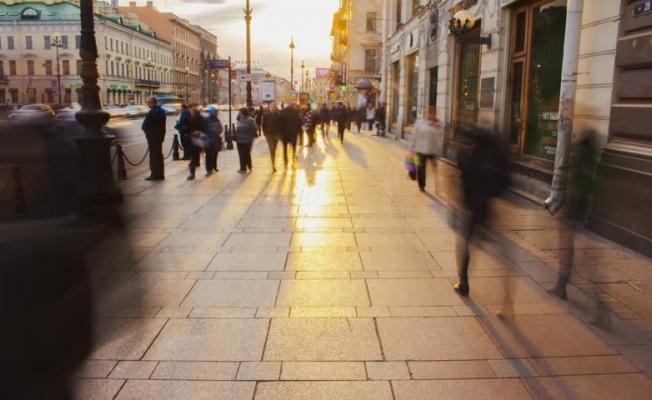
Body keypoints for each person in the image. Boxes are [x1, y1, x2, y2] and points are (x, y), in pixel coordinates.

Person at [547, 130, 610, 329]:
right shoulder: (590, 163)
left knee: (583, 263)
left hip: (576, 217)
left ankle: (601, 311)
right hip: (582, 218)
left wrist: (567, 214)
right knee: (573, 256)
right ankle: (561, 286)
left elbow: (577, 191)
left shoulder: (581, 165)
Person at [454, 129, 510, 297]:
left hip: (472, 210)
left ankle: (463, 283)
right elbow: (504, 183)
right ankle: (506, 298)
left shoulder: (472, 159)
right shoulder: (494, 161)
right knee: (502, 255)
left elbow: (464, 184)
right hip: (488, 210)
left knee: (464, 246)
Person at [409, 106, 444, 192]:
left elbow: (440, 137)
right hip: (420, 150)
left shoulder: (439, 124)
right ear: (425, 114)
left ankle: (437, 186)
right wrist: (412, 148)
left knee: (434, 168)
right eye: (428, 113)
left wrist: (439, 150)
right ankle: (422, 185)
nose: (430, 115)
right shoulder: (420, 123)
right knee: (421, 169)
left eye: (432, 113)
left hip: (433, 150)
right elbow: (414, 136)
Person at [142, 96, 167, 181]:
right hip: (160, 136)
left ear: (152, 103)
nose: (147, 103)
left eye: (148, 102)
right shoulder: (161, 111)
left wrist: (147, 133)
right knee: (159, 155)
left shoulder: (152, 113)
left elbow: (145, 125)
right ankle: (160, 173)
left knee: (154, 156)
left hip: (153, 137)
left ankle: (155, 174)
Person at [186, 104, 208, 180]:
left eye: (192, 111)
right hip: (201, 139)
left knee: (194, 157)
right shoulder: (202, 119)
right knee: (203, 155)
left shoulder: (193, 119)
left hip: (195, 139)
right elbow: (205, 128)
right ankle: (209, 169)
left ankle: (192, 174)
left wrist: (189, 133)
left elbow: (189, 129)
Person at [279, 102, 302, 169]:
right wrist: (299, 131)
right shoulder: (295, 112)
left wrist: (280, 133)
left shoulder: (283, 112)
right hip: (293, 133)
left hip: (285, 133)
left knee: (285, 148)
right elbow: (298, 122)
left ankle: (286, 160)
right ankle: (293, 161)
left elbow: (279, 123)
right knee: (294, 148)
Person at [235, 107, 257, 173]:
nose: (238, 114)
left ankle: (249, 166)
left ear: (242, 113)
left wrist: (250, 136)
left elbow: (254, 129)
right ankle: (243, 168)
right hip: (239, 140)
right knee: (241, 154)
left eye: (239, 112)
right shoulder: (240, 120)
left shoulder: (250, 120)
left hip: (247, 140)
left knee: (246, 154)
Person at [262, 100, 281, 172]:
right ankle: (273, 165)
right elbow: (264, 125)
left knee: (274, 149)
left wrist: (280, 134)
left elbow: (281, 124)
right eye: (272, 104)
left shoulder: (279, 114)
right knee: (272, 149)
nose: (274, 106)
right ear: (270, 106)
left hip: (276, 135)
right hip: (269, 135)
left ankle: (273, 163)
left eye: (275, 105)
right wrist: (265, 134)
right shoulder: (266, 115)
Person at [204, 106, 223, 176]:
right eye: (215, 112)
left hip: (216, 140)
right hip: (208, 140)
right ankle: (209, 169)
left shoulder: (217, 120)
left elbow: (221, 129)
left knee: (215, 154)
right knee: (208, 155)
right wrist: (212, 130)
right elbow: (204, 129)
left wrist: (217, 130)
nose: (216, 114)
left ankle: (214, 166)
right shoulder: (206, 120)